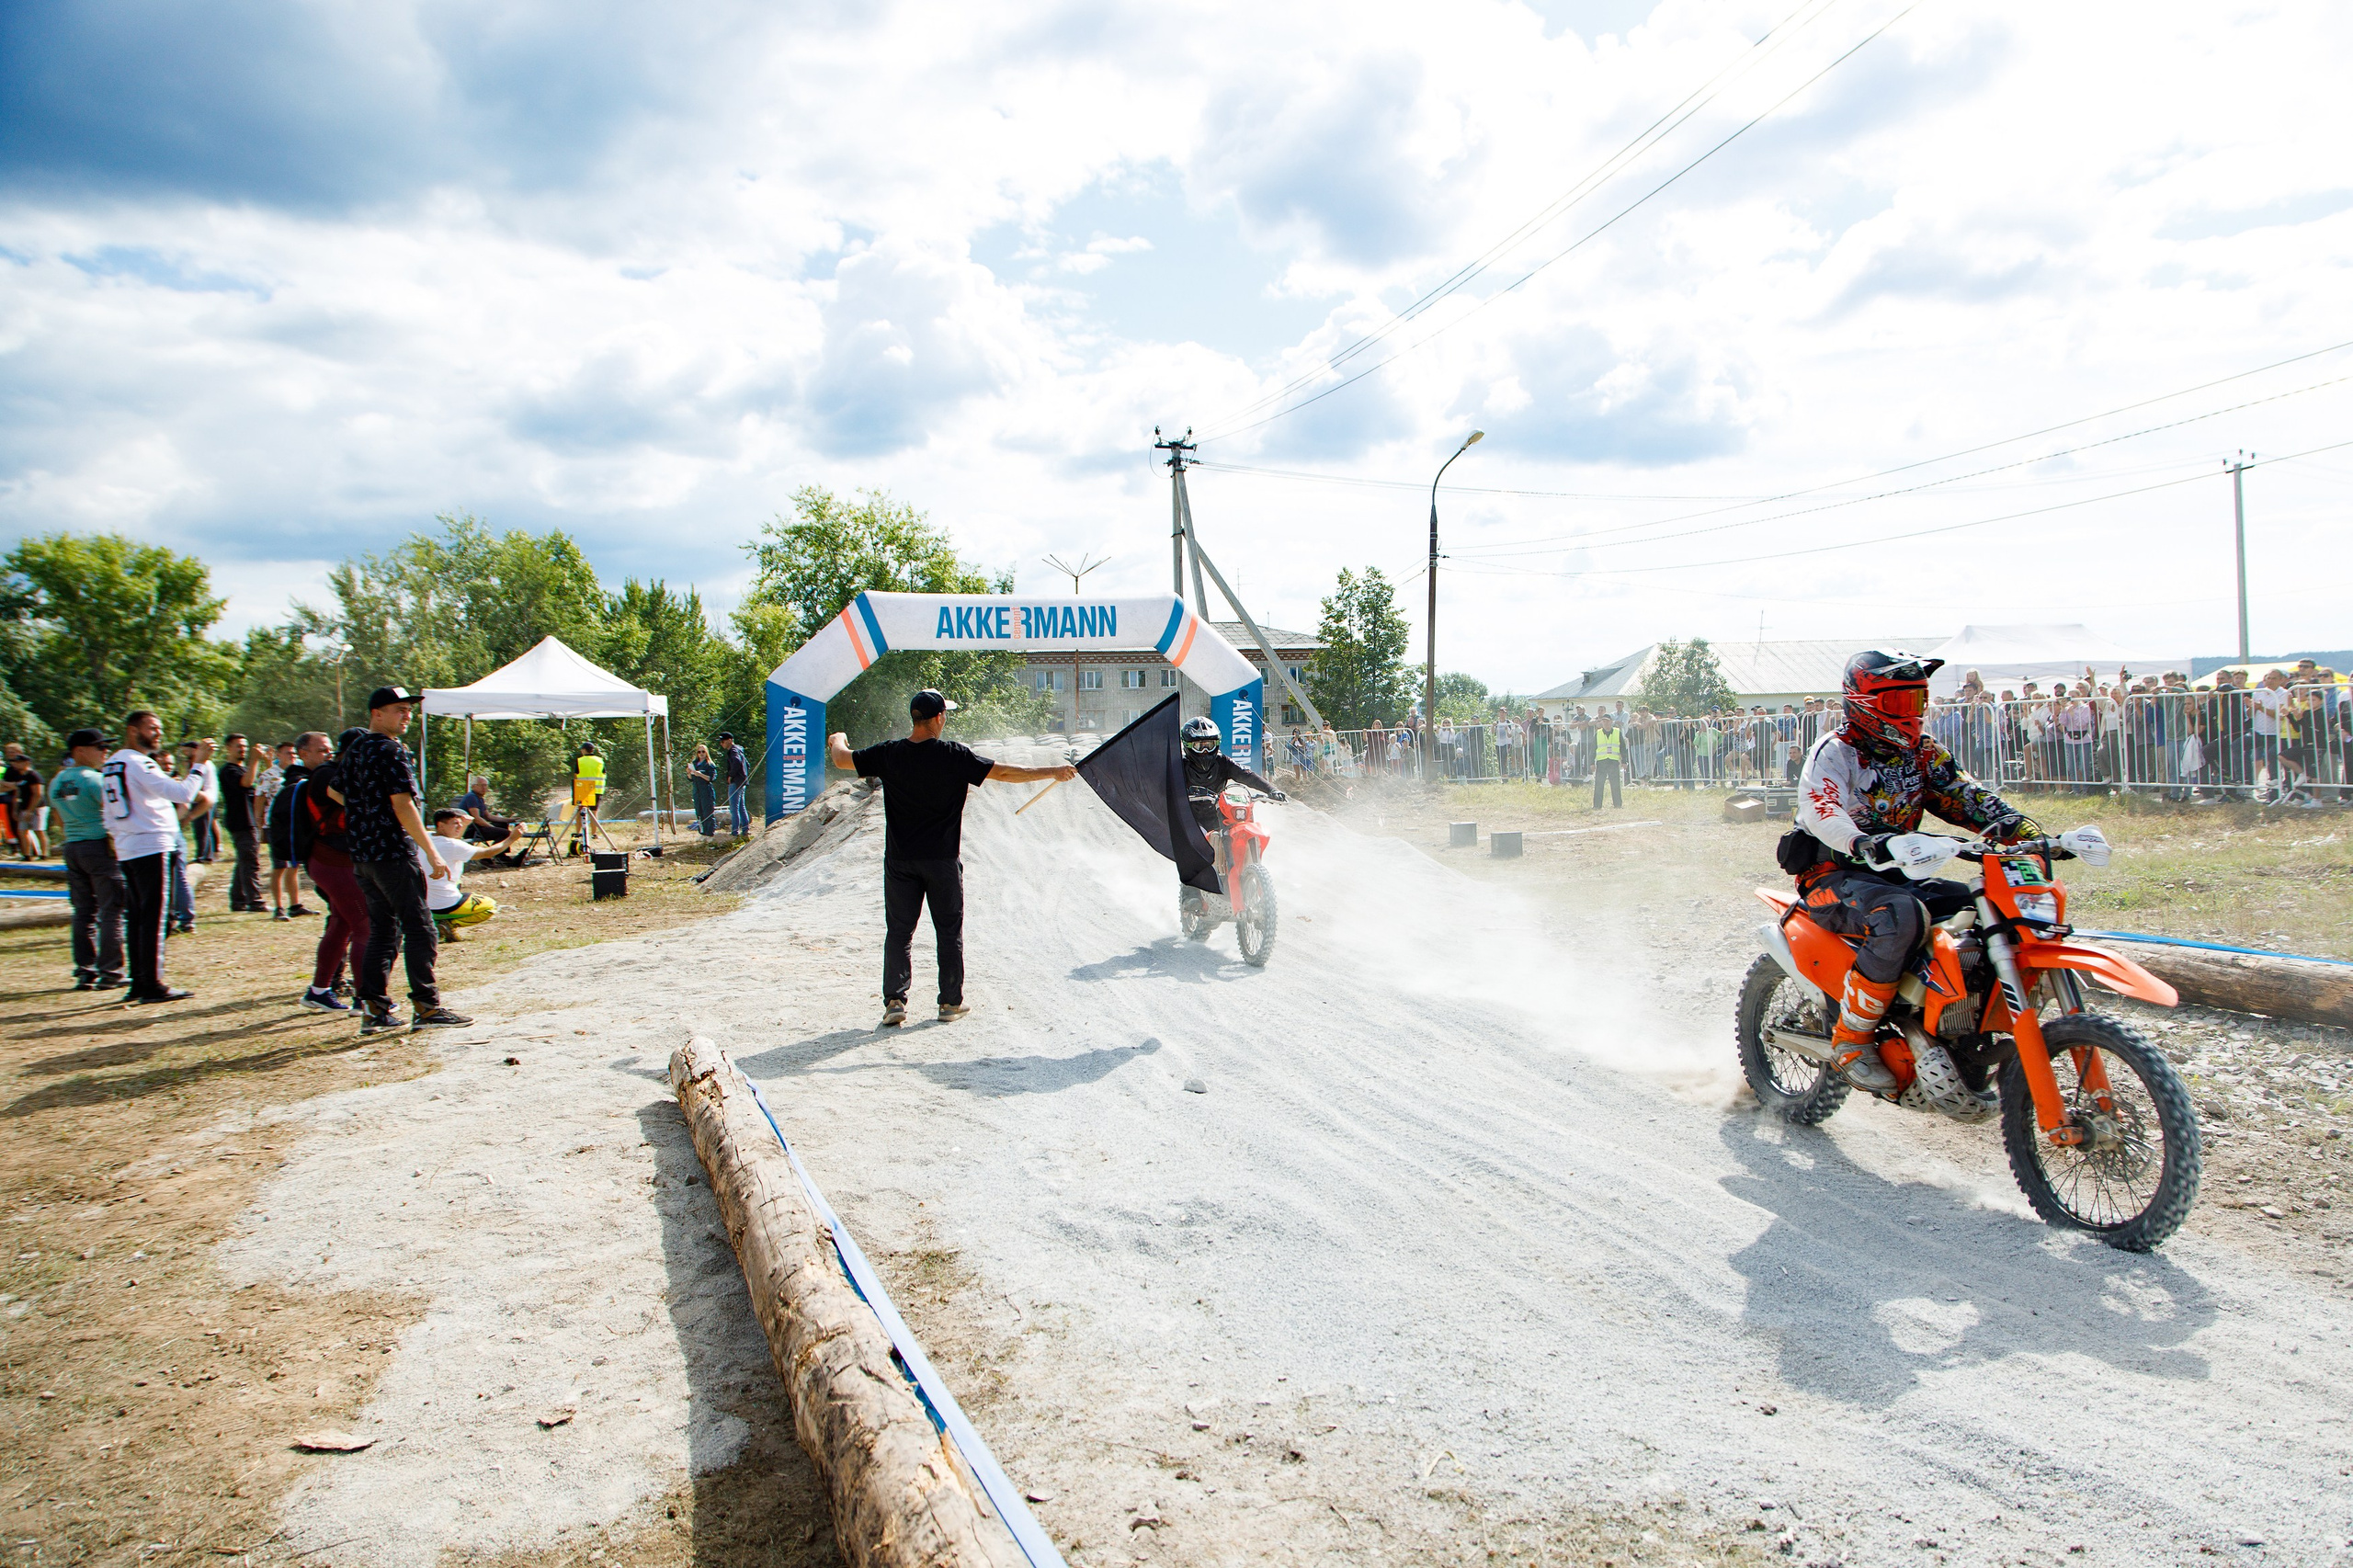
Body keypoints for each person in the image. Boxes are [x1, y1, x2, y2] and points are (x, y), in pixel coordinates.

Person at [1790, 651, 2038, 1093]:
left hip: (1899, 873)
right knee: (1900, 915)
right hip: (1832, 875)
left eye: (1917, 701)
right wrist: (1862, 841)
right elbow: (1821, 807)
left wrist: (2026, 830)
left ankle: (1957, 1028)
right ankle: (1852, 1039)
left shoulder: (1924, 753)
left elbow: (1966, 796)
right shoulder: (1837, 750)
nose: (1912, 713)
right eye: (1899, 702)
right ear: (1864, 702)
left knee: (1985, 908)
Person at [824, 689, 1074, 1028]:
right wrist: (1053, 771)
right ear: (939, 717)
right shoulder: (953, 755)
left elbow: (842, 759)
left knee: (899, 932)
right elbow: (1004, 773)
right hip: (942, 860)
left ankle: (895, 1001)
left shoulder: (888, 753)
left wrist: (837, 738)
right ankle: (949, 1003)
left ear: (915, 718)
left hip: (900, 860)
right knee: (948, 932)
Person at [335, 687, 470, 1033]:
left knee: (383, 932)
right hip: (392, 853)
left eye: (409, 710)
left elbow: (334, 790)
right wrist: (432, 851)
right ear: (376, 713)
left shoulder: (356, 747)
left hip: (363, 855)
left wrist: (365, 811)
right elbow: (403, 804)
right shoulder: (391, 749)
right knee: (421, 928)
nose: (406, 715)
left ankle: (374, 1011)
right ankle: (426, 1008)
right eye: (399, 709)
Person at [101, 712, 210, 1005]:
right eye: (152, 728)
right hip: (150, 844)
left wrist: (118, 838)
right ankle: (152, 984)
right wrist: (199, 763)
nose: (158, 733)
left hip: (129, 845)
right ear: (132, 730)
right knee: (154, 917)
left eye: (160, 728)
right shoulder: (139, 762)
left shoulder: (112, 762)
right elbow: (182, 793)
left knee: (138, 916)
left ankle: (139, 981)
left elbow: (107, 812)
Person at [288, 730, 364, 1012]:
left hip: (334, 860)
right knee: (365, 924)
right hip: (332, 861)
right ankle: (367, 1000)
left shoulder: (332, 772)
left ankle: (318, 991)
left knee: (342, 922)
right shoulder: (327, 776)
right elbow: (360, 806)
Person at [51, 730, 125, 991]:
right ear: (80, 751)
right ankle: (111, 971)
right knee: (112, 909)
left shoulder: (57, 781)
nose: (105, 751)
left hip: (72, 846)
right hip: (98, 847)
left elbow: (58, 818)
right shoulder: (95, 780)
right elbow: (115, 813)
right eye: (99, 747)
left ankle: (85, 970)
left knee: (83, 911)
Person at [1180, 715, 1285, 881]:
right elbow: (1164, 786)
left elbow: (1246, 775)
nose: (1205, 751)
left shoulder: (1222, 762)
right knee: (1195, 847)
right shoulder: (1180, 766)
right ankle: (1193, 890)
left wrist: (1271, 789)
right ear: (1188, 746)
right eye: (1199, 746)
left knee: (1241, 828)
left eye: (1209, 745)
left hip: (1220, 814)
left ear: (1217, 744)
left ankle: (1251, 872)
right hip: (1193, 819)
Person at [424, 807, 520, 940]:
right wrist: (511, 838)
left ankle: (435, 922)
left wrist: (464, 825)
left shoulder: (425, 837)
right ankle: (448, 924)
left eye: (460, 823)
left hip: (421, 904)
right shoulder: (452, 845)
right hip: (445, 905)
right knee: (489, 907)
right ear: (441, 825)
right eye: (455, 823)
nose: (459, 826)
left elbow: (454, 841)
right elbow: (488, 853)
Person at [216, 733, 267, 912]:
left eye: (244, 746)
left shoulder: (243, 768)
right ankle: (255, 901)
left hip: (249, 820)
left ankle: (238, 900)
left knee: (244, 861)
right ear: (228, 748)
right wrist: (255, 760)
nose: (242, 749)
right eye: (238, 746)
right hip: (241, 821)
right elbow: (246, 783)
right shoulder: (228, 770)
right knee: (250, 862)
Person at [4, 749, 46, 859]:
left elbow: (38, 794)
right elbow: (17, 793)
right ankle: (27, 855)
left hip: (37, 808)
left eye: (19, 762)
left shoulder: (34, 775)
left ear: (27, 763)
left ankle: (44, 854)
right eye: (15, 762)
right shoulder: (19, 776)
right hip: (23, 807)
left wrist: (30, 811)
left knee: (39, 831)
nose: (16, 764)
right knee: (22, 831)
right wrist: (15, 810)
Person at [569, 741, 605, 852]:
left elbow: (576, 775)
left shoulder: (580, 761)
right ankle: (594, 833)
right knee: (594, 813)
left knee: (580, 812)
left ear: (584, 750)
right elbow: (603, 774)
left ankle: (577, 833)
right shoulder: (600, 760)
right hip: (597, 790)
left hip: (583, 789)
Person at [718, 732, 750, 835]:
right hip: (742, 782)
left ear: (730, 740)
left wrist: (731, 775)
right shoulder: (739, 750)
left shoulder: (733, 751)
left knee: (734, 808)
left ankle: (735, 832)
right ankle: (745, 830)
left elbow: (737, 761)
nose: (721, 744)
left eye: (723, 741)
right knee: (741, 807)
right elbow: (747, 764)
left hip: (736, 782)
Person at [1591, 712, 1623, 809]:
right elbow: (1593, 749)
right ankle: (1597, 805)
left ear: (1611, 722)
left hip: (1613, 761)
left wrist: (1624, 761)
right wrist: (1592, 763)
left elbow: (1623, 748)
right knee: (1599, 784)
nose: (1605, 723)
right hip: (1602, 761)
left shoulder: (1617, 732)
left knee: (1615, 784)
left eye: (1607, 721)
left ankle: (1618, 804)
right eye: (1604, 721)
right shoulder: (1598, 733)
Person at [688, 744, 719, 835]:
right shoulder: (694, 763)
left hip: (706, 791)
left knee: (708, 812)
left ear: (706, 753)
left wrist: (700, 774)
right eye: (699, 752)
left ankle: (710, 832)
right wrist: (689, 773)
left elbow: (712, 778)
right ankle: (702, 832)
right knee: (699, 812)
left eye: (703, 751)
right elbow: (691, 779)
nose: (701, 754)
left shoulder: (709, 764)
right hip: (697, 791)